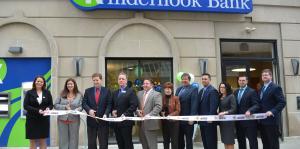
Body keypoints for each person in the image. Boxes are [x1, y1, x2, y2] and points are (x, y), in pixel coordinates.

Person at [82, 73, 112, 149]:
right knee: (91, 143)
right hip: (91, 121)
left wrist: (106, 113)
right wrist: (89, 110)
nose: (95, 82)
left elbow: (109, 104)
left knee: (103, 143)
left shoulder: (107, 91)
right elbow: (84, 103)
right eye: (94, 80)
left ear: (101, 80)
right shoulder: (88, 91)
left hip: (103, 121)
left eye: (97, 80)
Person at [258, 69, 286, 149]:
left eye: (266, 75)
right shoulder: (261, 88)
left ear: (271, 76)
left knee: (273, 143)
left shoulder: (276, 87)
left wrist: (272, 111)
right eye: (263, 75)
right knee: (265, 143)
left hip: (271, 121)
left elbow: (282, 102)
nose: (264, 76)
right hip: (262, 121)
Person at [23, 75, 53, 149]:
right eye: (38, 81)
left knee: (43, 140)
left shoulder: (47, 92)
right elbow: (26, 106)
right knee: (32, 140)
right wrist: (37, 110)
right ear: (35, 82)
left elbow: (51, 104)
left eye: (41, 81)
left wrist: (48, 108)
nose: (39, 82)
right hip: (32, 119)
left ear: (43, 83)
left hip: (43, 119)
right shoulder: (29, 93)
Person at [111, 72, 138, 149]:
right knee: (119, 142)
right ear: (117, 80)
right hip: (117, 122)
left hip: (126, 122)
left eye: (123, 79)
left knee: (127, 142)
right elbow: (112, 105)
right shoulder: (115, 93)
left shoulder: (131, 91)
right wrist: (113, 111)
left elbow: (134, 105)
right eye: (119, 79)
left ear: (126, 81)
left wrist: (125, 114)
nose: (121, 80)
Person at [54, 78, 83, 149]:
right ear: (66, 85)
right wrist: (64, 107)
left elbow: (82, 106)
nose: (69, 85)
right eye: (68, 84)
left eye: (71, 84)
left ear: (74, 85)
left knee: (74, 138)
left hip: (74, 119)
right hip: (62, 119)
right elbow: (55, 105)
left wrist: (77, 109)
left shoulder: (79, 95)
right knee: (63, 138)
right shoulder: (62, 94)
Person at [234, 76, 260, 149]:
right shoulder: (236, 92)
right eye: (240, 80)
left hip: (250, 121)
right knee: (241, 141)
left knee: (252, 141)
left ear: (247, 81)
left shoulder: (252, 91)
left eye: (243, 80)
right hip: (239, 122)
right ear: (238, 81)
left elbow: (257, 105)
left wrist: (250, 110)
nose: (241, 82)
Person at [137, 79, 162, 149]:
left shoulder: (157, 94)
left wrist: (150, 115)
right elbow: (136, 106)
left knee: (152, 146)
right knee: (144, 145)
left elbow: (158, 107)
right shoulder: (139, 93)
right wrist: (137, 111)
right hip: (141, 124)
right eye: (144, 83)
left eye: (147, 83)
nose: (145, 85)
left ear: (151, 85)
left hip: (151, 124)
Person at [175, 73, 198, 149]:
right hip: (179, 119)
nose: (184, 80)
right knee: (180, 140)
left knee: (188, 140)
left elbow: (194, 104)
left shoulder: (194, 89)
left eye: (186, 79)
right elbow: (175, 103)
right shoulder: (179, 89)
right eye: (183, 79)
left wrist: (192, 118)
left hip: (188, 120)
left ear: (189, 80)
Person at [197, 73, 219, 149]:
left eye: (205, 79)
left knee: (211, 142)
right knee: (205, 142)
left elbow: (213, 106)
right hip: (202, 121)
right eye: (202, 79)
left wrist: (210, 118)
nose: (204, 80)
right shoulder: (201, 91)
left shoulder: (213, 91)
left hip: (209, 122)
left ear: (210, 80)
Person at [160, 82, 180, 149]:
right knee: (165, 141)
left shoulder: (176, 98)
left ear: (172, 90)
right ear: (164, 90)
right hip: (165, 123)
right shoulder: (161, 98)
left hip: (174, 123)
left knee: (174, 141)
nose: (167, 90)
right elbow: (159, 109)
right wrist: (161, 112)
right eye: (166, 88)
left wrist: (170, 115)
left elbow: (178, 110)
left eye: (169, 89)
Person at [218, 82, 237, 149]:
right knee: (225, 141)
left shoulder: (231, 96)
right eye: (220, 87)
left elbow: (234, 109)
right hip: (222, 122)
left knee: (230, 141)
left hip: (229, 122)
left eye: (223, 87)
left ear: (227, 88)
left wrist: (224, 112)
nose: (222, 89)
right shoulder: (220, 96)